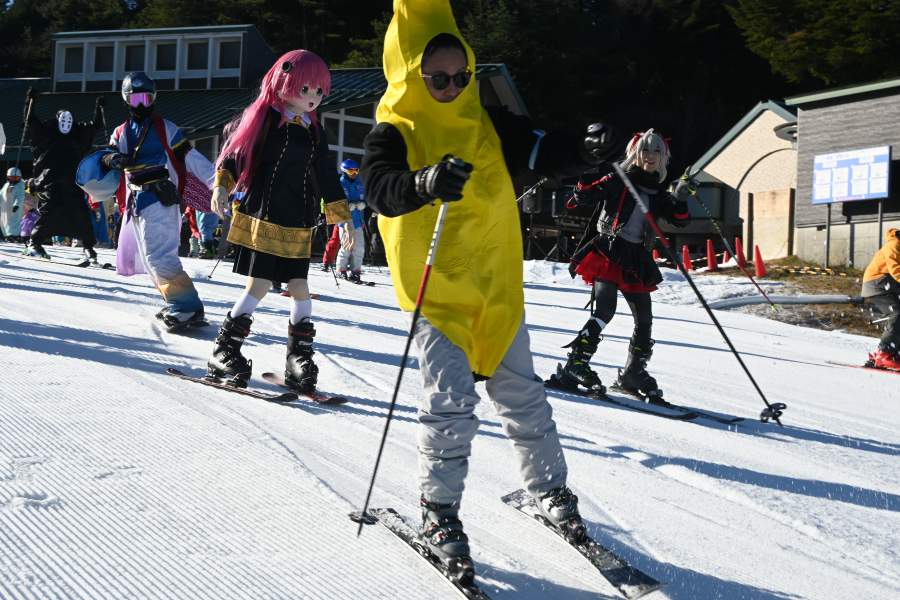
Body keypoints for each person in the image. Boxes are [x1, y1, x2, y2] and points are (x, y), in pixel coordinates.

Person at [360, 0, 616, 584]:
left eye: (461, 76)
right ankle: (439, 510)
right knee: (450, 405)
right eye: (438, 78)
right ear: (411, 76)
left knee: (524, 396)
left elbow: (540, 151)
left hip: (495, 284)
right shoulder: (395, 128)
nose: (452, 87)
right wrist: (423, 183)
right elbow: (379, 190)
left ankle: (550, 490)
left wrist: (585, 150)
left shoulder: (486, 121)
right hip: (437, 293)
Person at [206, 50, 350, 390]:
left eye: (318, 91)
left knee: (300, 289)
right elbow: (233, 158)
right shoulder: (264, 119)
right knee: (257, 286)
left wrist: (344, 220)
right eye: (306, 89)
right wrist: (220, 188)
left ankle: (298, 357)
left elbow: (327, 176)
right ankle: (224, 349)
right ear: (284, 81)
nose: (313, 98)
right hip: (264, 215)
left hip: (297, 222)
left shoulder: (315, 131)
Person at [548, 129, 691, 403]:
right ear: (635, 153)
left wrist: (681, 197)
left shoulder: (656, 190)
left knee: (645, 319)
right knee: (605, 309)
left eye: (656, 152)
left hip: (636, 257)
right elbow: (583, 197)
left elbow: (679, 218)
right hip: (609, 250)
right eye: (645, 151)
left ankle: (633, 372)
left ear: (663, 157)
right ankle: (575, 364)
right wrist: (587, 177)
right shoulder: (620, 179)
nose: (650, 156)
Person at [98, 71, 216, 331]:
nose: (142, 104)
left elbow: (191, 158)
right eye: (136, 98)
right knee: (150, 257)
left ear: (153, 99)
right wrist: (111, 159)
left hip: (161, 198)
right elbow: (105, 158)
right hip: (136, 202)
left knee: (159, 255)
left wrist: (216, 183)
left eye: (147, 98)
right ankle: (177, 300)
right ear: (126, 99)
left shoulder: (166, 128)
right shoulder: (120, 132)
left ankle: (186, 307)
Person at [23, 88, 103, 261]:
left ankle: (88, 247)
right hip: (50, 180)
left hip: (70, 181)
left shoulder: (76, 131)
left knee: (80, 213)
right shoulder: (49, 129)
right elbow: (31, 123)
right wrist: (30, 102)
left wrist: (99, 110)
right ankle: (34, 243)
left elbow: (96, 127)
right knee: (49, 212)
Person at [861, 228, 900, 370]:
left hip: (888, 285)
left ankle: (894, 353)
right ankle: (884, 354)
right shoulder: (894, 244)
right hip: (878, 284)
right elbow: (895, 269)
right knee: (897, 313)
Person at [335, 158, 366, 281]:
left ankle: (356, 270)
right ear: (344, 171)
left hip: (358, 220)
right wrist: (347, 206)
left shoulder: (360, 182)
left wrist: (364, 204)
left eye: (356, 171)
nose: (354, 174)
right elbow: (335, 202)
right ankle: (341, 269)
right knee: (347, 245)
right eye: (351, 171)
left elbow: (366, 197)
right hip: (345, 220)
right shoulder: (340, 184)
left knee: (359, 247)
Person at [0, 167, 24, 242]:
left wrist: (16, 205)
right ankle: (7, 235)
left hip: (14, 208)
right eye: (12, 177)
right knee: (4, 222)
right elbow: (1, 194)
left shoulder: (20, 185)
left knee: (14, 221)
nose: (13, 179)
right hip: (4, 208)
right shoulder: (6, 185)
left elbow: (20, 196)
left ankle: (14, 235)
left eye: (16, 177)